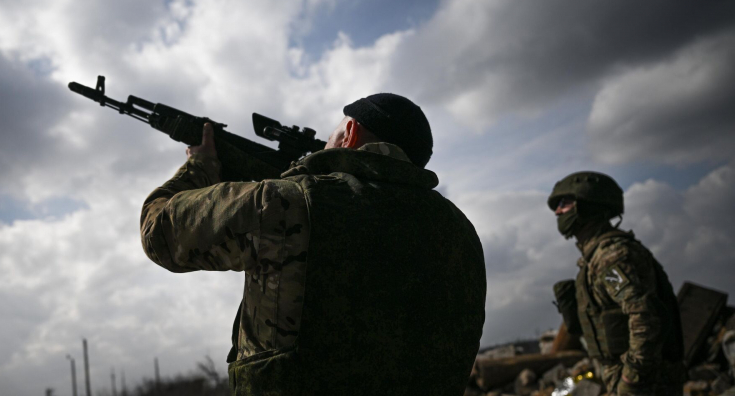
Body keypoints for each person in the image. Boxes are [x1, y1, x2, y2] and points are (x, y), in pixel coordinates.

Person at [140, 93, 486, 395]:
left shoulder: (286, 203)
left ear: (350, 133)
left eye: (330, 136)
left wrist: (200, 165)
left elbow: (157, 232)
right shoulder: (461, 232)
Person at [548, 172, 684, 396]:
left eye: (565, 203)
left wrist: (630, 380)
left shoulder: (611, 257)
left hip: (646, 385)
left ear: (587, 205)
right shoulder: (595, 258)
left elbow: (645, 317)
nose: (558, 211)